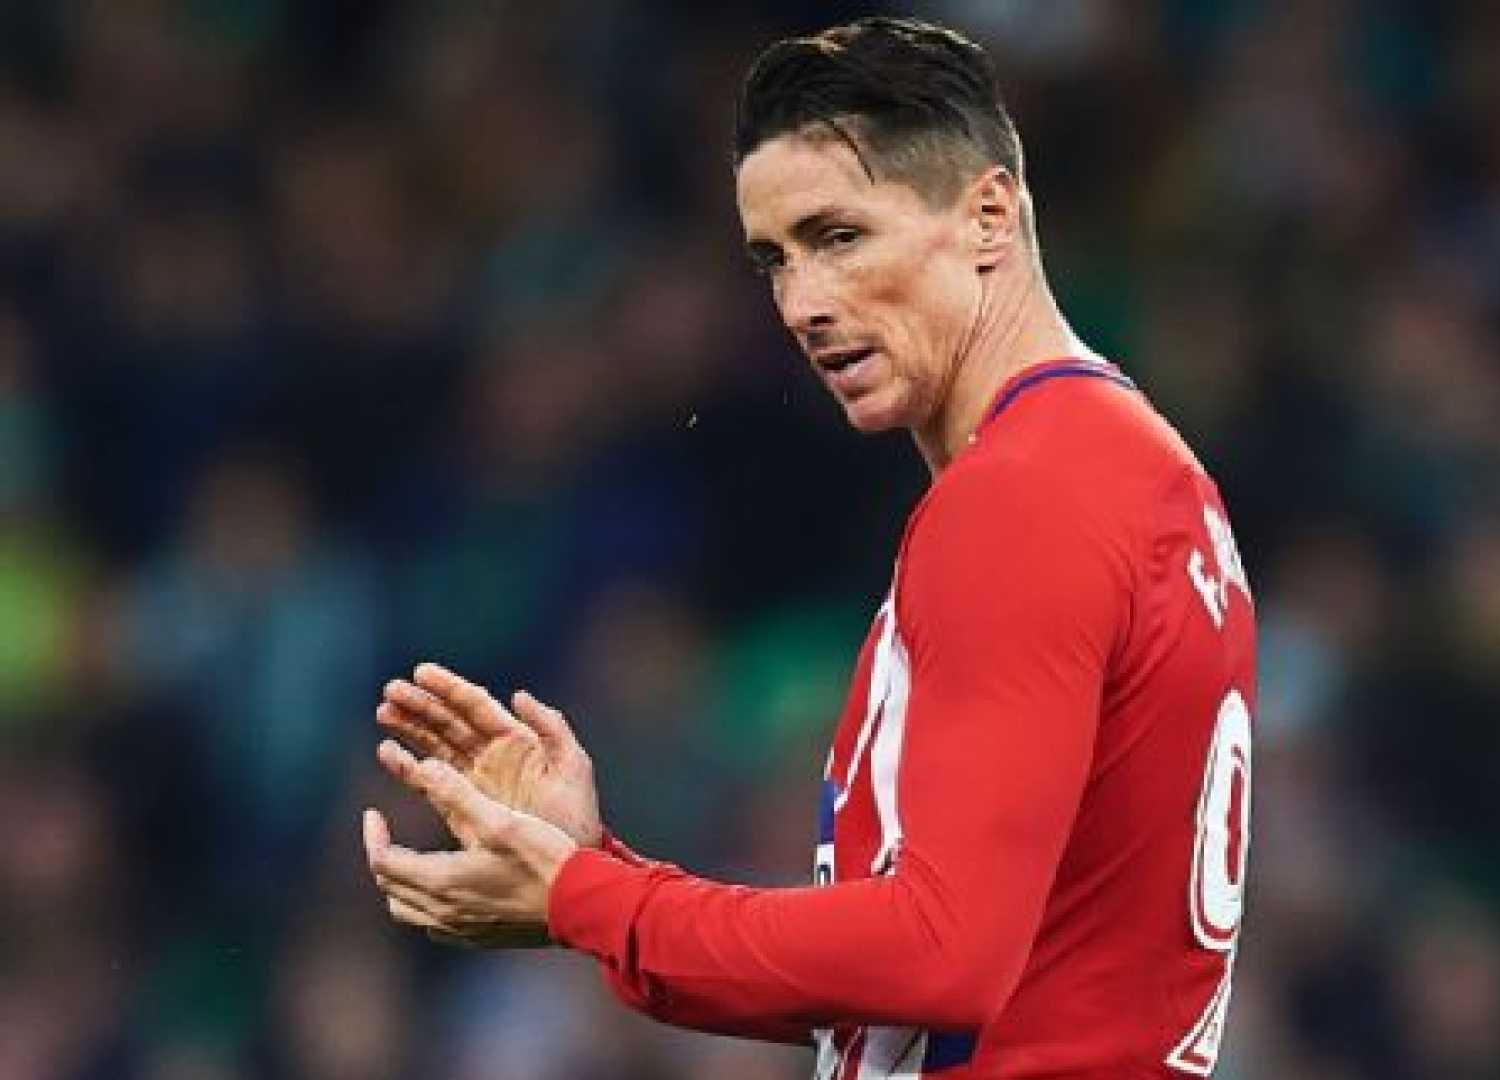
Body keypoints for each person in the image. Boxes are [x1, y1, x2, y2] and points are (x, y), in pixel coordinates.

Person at [364, 16, 1258, 1078]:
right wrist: (596, 876)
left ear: (987, 216)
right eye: (773, 260)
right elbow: (946, 985)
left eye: (839, 238)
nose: (802, 304)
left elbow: (941, 959)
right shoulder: (1135, 471)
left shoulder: (1022, 499)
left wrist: (584, 898)